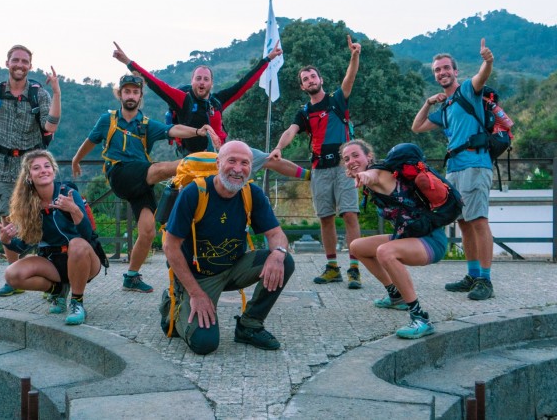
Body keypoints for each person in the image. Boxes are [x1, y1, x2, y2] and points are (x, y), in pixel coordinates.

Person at [72, 74, 221, 293]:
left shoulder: (146, 124)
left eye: (135, 92)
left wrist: (199, 131)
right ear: (120, 94)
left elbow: (173, 129)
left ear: (140, 96)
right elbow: (90, 141)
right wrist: (76, 160)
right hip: (120, 173)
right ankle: (202, 163)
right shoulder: (108, 120)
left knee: (148, 230)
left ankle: (131, 276)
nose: (130, 95)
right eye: (126, 91)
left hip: (141, 179)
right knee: (162, 168)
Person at [162, 140, 295, 355]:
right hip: (198, 277)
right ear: (218, 163)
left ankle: (249, 325)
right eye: (231, 161)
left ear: (251, 168)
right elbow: (170, 247)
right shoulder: (194, 193)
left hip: (233, 269)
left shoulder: (251, 194)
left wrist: (278, 254)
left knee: (284, 260)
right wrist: (195, 293)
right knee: (204, 343)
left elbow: (276, 234)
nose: (237, 169)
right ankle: (173, 306)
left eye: (245, 163)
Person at [111, 41, 310, 180]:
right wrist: (128, 62)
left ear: (211, 83)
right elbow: (154, 83)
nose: (202, 82)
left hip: (222, 158)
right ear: (192, 82)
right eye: (198, 78)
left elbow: (245, 83)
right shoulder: (182, 100)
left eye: (206, 79)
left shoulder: (217, 101)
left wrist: (266, 60)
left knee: (268, 158)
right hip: (193, 161)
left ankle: (310, 176)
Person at [269, 35, 362, 289]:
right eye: (305, 79)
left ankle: (354, 268)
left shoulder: (336, 100)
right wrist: (278, 147)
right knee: (325, 218)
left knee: (350, 215)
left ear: (320, 80)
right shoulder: (305, 111)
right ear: (302, 86)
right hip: (319, 167)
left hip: (343, 167)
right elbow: (290, 130)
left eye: (313, 76)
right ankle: (332, 267)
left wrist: (354, 56)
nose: (310, 80)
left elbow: (349, 78)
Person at [411, 38, 495, 301]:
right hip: (454, 167)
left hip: (476, 163)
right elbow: (417, 126)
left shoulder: (469, 90)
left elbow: (482, 76)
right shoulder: (445, 107)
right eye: (437, 70)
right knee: (463, 223)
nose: (442, 72)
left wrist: (488, 61)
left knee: (478, 221)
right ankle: (472, 275)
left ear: (455, 71)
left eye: (446, 68)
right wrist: (428, 103)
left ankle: (485, 280)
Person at [0, 44, 61, 298]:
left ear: (30, 66)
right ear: (7, 63)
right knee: (7, 222)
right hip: (0, 167)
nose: (20, 65)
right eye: (16, 60)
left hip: (32, 167)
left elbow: (50, 126)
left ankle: (49, 276)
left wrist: (56, 92)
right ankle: (13, 276)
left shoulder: (39, 95)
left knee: (43, 220)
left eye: (25, 61)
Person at [344, 141, 446, 339]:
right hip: (408, 237)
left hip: (431, 240)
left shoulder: (379, 174)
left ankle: (420, 318)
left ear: (369, 157)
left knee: (385, 251)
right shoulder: (371, 182)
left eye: (356, 155)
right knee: (357, 246)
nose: (351, 161)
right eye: (346, 159)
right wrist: (361, 176)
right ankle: (395, 295)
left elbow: (372, 175)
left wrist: (365, 175)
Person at [0, 150, 101, 326]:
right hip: (53, 262)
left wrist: (74, 210)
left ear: (53, 170)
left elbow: (87, 235)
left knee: (77, 243)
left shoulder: (68, 194)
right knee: (12, 275)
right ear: (29, 176)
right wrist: (5, 240)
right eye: (36, 168)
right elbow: (22, 247)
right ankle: (58, 290)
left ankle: (77, 302)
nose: (43, 170)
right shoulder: (27, 204)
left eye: (47, 166)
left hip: (84, 259)